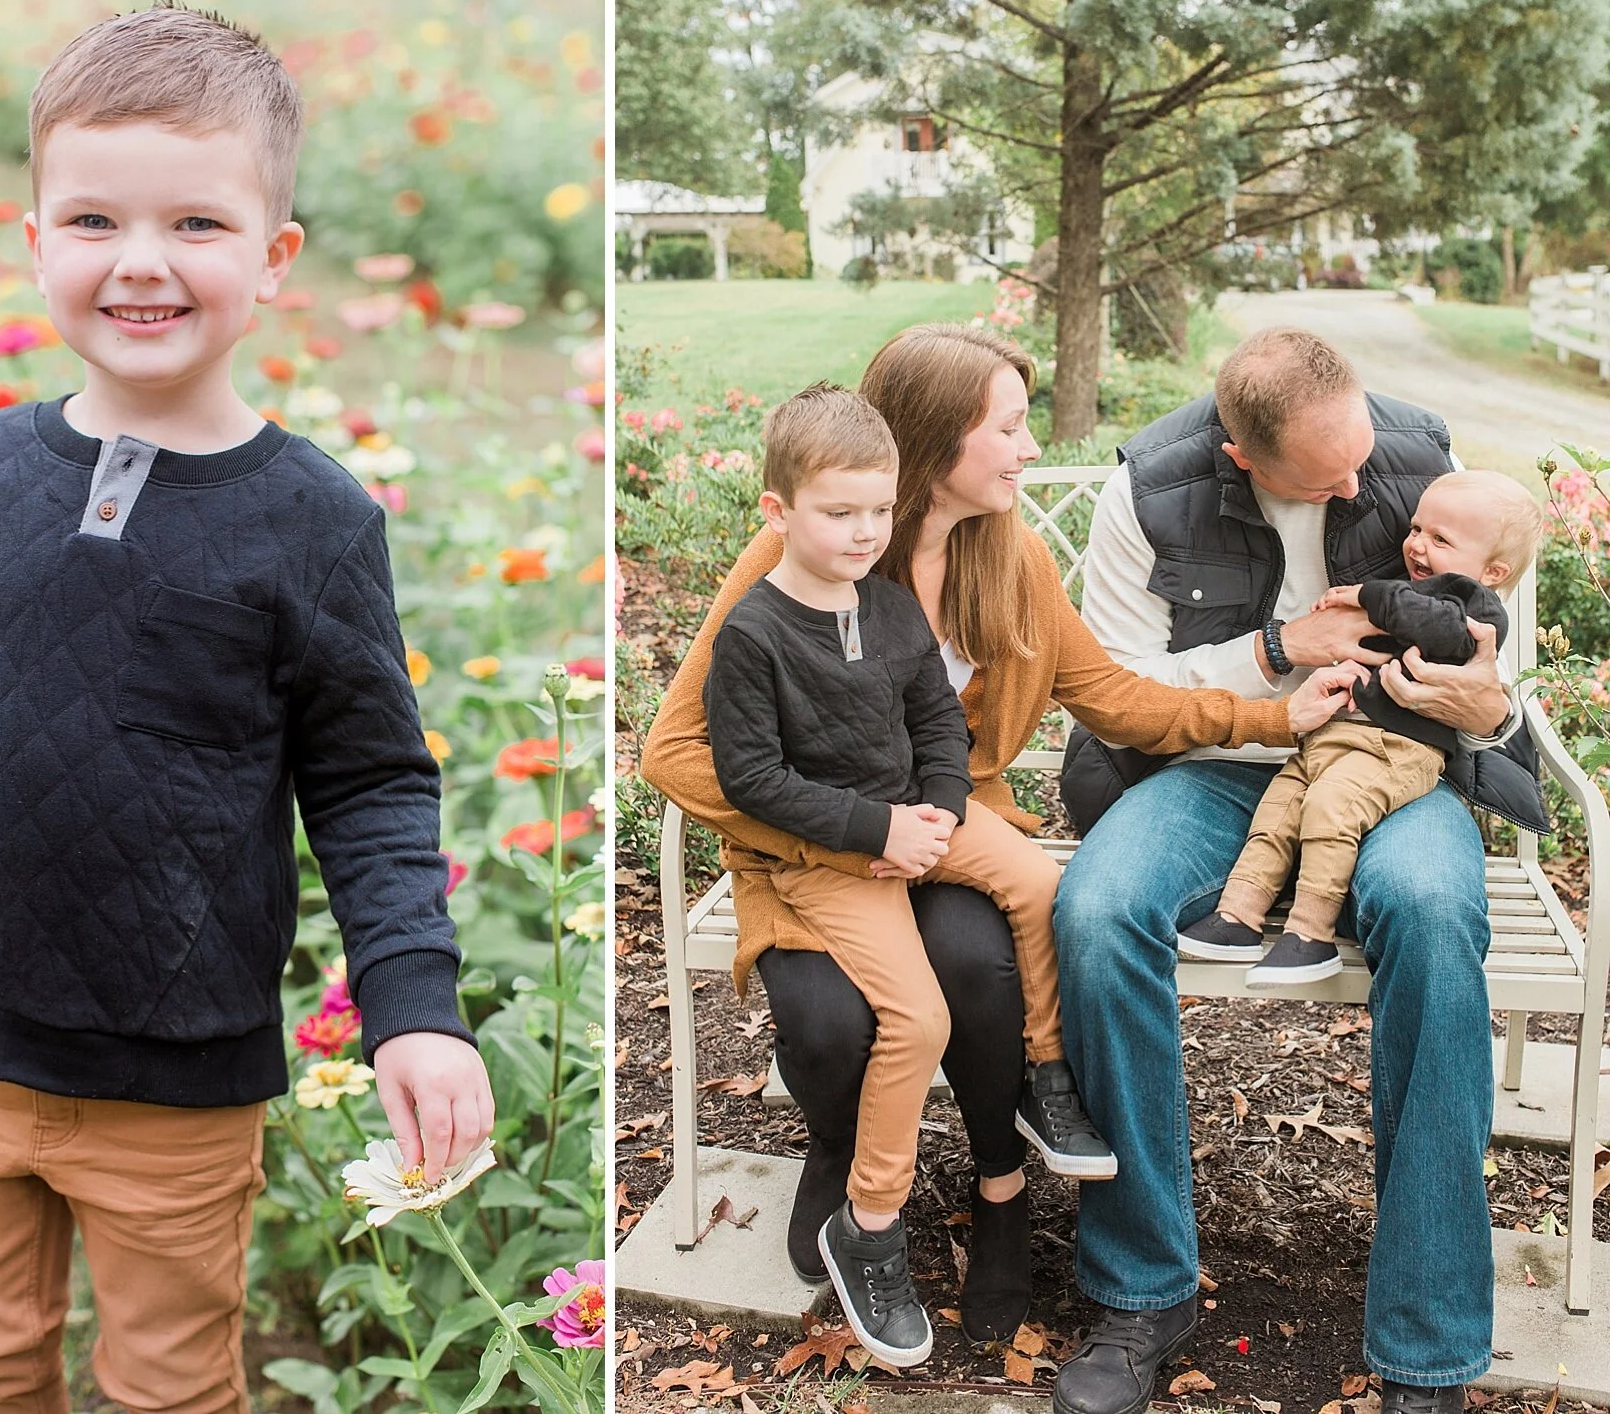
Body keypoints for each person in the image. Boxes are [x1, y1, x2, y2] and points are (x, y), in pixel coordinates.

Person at [0, 4, 493, 1414]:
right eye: (93, 221)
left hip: (177, 1087)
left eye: (197, 223)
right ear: (35, 244)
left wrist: (414, 1009)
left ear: (274, 258)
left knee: (172, 1383)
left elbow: (374, 782)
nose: (140, 262)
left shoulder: (310, 521)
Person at [641, 323, 1359, 1345]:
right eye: (1010, 427)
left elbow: (1111, 696)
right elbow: (674, 750)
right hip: (803, 843)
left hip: (947, 821)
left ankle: (1000, 1186)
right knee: (829, 1020)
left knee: (979, 969)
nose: (1027, 450)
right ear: (935, 440)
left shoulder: (1008, 554)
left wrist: (1267, 712)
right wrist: (855, 830)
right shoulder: (804, 552)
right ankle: (837, 1152)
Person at [1052, 327, 1548, 1414]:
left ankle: (1426, 1341)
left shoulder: (1412, 452)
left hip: (1398, 766)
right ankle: (1144, 1289)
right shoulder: (1147, 487)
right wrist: (1277, 651)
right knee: (1092, 908)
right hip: (1219, 764)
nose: (1356, 484)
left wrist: (1484, 705)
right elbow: (1119, 688)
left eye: (1362, 454)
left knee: (1425, 906)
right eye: (1325, 475)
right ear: (1239, 456)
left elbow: (1495, 657)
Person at [703, 381, 1114, 1366]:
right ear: (777, 513)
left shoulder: (885, 609)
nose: (859, 531)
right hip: (835, 855)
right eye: (835, 512)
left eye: (874, 512)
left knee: (1036, 881)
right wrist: (874, 826)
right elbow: (748, 776)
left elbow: (936, 715)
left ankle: (1044, 1077)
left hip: (917, 821)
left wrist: (938, 803)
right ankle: (871, 1223)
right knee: (918, 1017)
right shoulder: (752, 634)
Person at [1180, 469, 1541, 986]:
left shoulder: (1474, 610)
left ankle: (1310, 935)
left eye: (1441, 540)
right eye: (1417, 528)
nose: (1417, 545)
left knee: (1331, 809)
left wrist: (1369, 595)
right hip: (1334, 738)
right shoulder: (1410, 590)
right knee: (1280, 810)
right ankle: (1238, 915)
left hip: (1400, 750)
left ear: (1493, 571)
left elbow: (1437, 628)